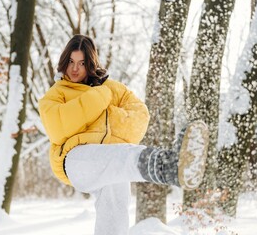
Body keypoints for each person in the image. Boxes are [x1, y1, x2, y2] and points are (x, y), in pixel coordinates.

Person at [38, 34, 209, 235]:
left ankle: (174, 163)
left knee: (115, 213)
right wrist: (99, 98)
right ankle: (166, 165)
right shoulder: (57, 94)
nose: (75, 69)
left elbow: (140, 117)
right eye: (71, 62)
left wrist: (106, 114)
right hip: (74, 159)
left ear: (91, 63)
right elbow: (59, 127)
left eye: (82, 63)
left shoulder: (112, 88)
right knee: (118, 157)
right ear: (64, 62)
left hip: (111, 156)